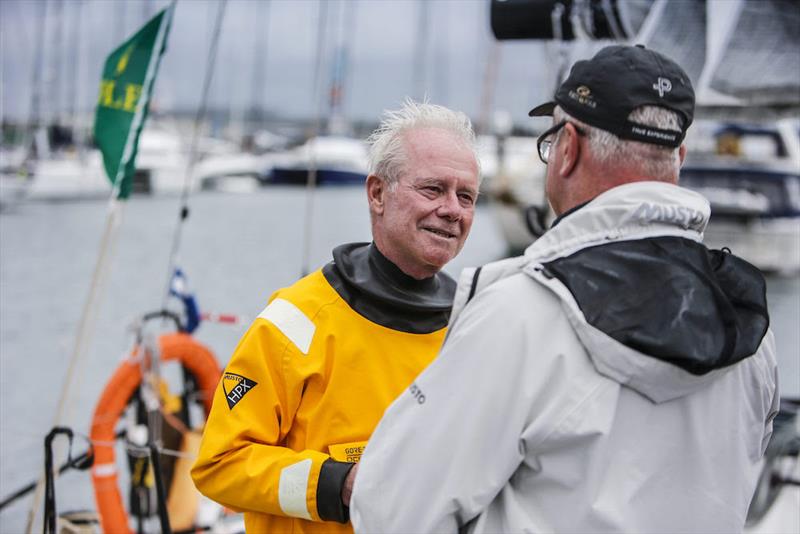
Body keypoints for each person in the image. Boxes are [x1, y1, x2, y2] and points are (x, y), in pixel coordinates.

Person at [351, 45, 779, 533]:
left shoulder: (525, 312)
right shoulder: (751, 325)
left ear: (569, 147)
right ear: (677, 158)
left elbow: (392, 509)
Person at [191, 99, 481, 532]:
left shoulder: (474, 326)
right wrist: (338, 484)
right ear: (377, 194)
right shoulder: (295, 323)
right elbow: (220, 464)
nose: (453, 210)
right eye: (433, 189)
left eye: (466, 196)